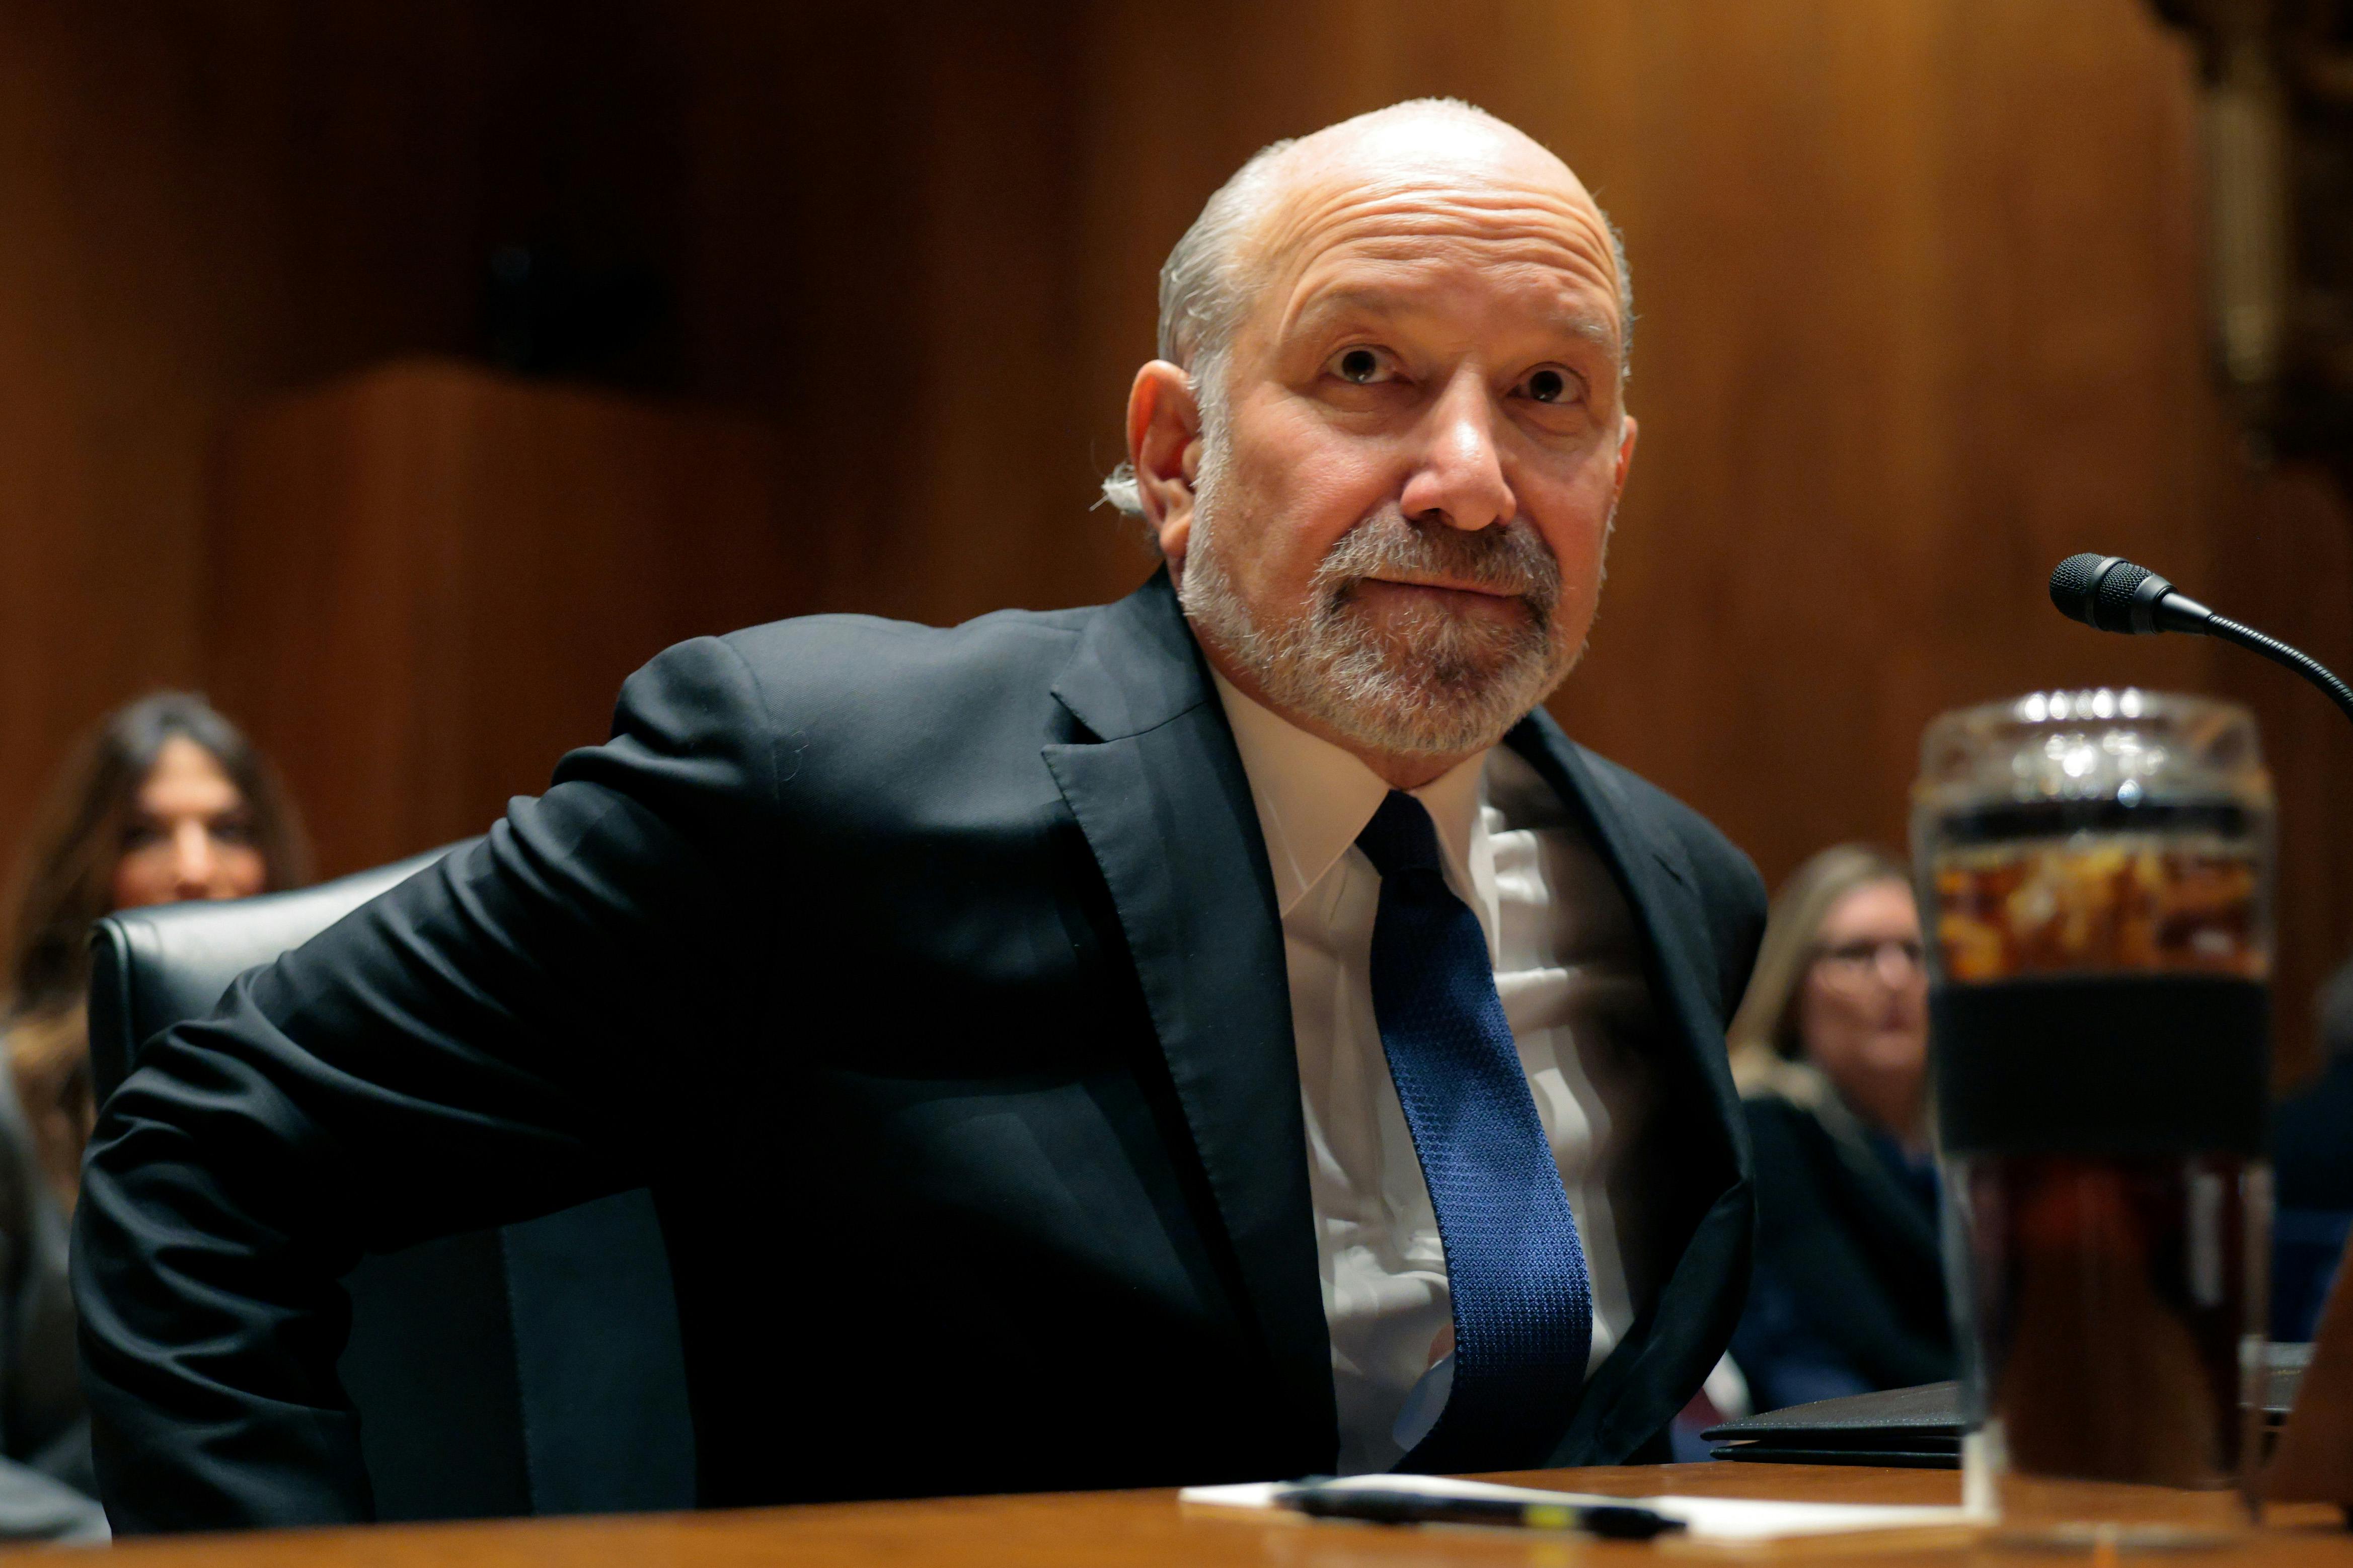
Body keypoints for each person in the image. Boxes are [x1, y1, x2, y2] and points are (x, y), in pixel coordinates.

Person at [75, 99, 1767, 1532]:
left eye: (1550, 394)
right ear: (1175, 458)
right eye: (1365, 367)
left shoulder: (1679, 892)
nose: (1470, 478)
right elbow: (207, 1150)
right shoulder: (814, 784)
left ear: (1609, 477)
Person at [0, 692, 309, 1541]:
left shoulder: (326, 1085)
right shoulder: (13, 1105)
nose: (196, 867)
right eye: (145, 833)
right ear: (88, 866)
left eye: (231, 829)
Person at [1725, 844, 1951, 1412]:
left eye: (1915, 951)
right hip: (1842, 1455)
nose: (1895, 977)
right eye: (1856, 953)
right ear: (1795, 982)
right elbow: (1870, 1346)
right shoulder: (1766, 1126)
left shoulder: (1961, 1141)